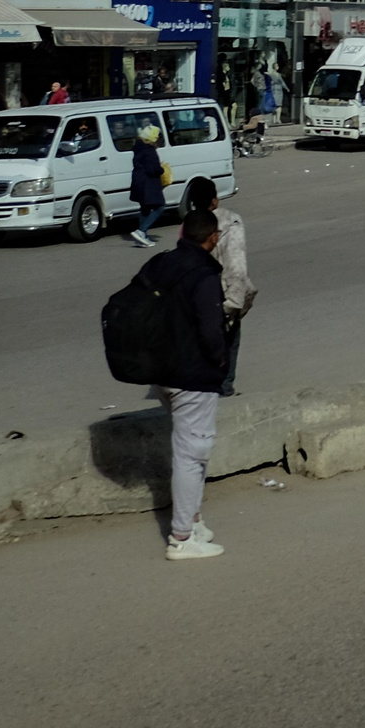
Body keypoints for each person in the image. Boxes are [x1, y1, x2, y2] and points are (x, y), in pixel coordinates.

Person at [129, 205, 231, 561]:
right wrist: (219, 363)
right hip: (191, 376)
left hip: (159, 373)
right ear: (213, 238)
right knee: (192, 454)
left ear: (182, 234)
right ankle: (182, 537)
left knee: (190, 449)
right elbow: (211, 331)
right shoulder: (204, 275)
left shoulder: (160, 263)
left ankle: (195, 519)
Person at [183, 176, 254, 391]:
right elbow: (236, 268)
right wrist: (234, 304)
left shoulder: (189, 224)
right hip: (222, 295)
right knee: (229, 342)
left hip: (196, 296)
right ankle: (224, 387)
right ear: (214, 200)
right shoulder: (229, 222)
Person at [125, 123, 168, 247]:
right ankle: (141, 231)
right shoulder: (149, 151)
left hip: (138, 182)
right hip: (148, 184)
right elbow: (152, 170)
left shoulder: (138, 148)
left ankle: (142, 238)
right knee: (159, 207)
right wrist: (162, 169)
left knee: (145, 208)